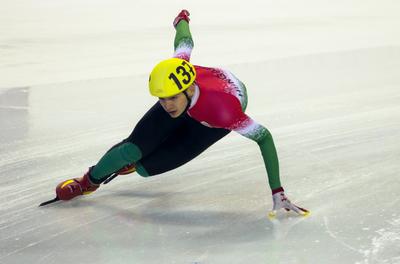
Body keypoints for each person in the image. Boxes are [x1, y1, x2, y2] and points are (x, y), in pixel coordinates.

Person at [53, 10, 309, 217]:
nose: (167, 105)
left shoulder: (224, 113)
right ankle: (89, 181)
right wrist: (182, 20)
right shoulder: (177, 75)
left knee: (145, 168)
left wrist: (278, 191)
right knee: (132, 149)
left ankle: (136, 164)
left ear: (186, 89)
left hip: (214, 115)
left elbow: (264, 137)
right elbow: (185, 41)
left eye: (171, 98)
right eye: (161, 100)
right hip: (197, 98)